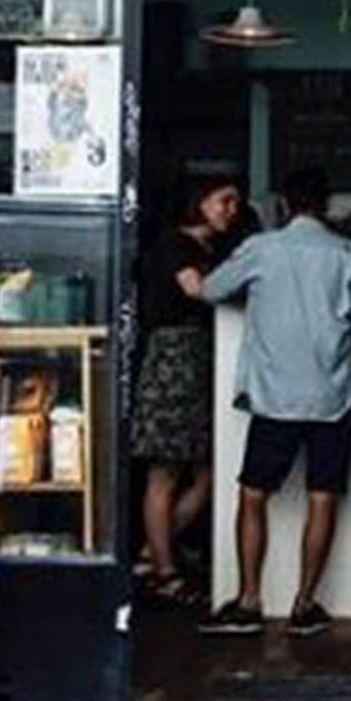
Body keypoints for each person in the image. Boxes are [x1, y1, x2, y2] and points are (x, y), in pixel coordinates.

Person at [196, 167, 351, 638]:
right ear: (326, 205)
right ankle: (304, 605)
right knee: (323, 498)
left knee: (253, 494)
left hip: (275, 397)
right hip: (333, 398)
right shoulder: (348, 253)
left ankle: (249, 600)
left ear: (283, 206)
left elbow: (211, 289)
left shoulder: (262, 249)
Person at [131, 172, 242, 605]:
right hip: (173, 363)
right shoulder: (177, 245)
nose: (231, 211)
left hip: (192, 366)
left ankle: (151, 553)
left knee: (203, 473)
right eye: (224, 201)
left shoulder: (204, 248)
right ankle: (163, 570)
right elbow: (196, 289)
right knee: (165, 472)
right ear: (200, 203)